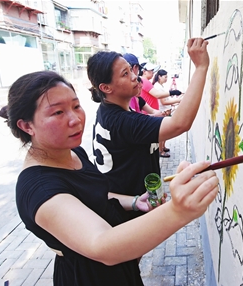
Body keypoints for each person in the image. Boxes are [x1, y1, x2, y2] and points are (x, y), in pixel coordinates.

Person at [0, 70, 219, 286]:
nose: (75, 119)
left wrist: (134, 202)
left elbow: (93, 195)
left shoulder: (72, 152)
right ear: (27, 126)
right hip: (89, 281)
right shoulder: (40, 190)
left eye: (76, 106)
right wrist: (178, 211)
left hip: (115, 269)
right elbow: (101, 244)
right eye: (57, 112)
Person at [87, 37, 210, 219]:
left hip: (129, 203)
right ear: (106, 87)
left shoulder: (110, 111)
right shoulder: (122, 121)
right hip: (125, 214)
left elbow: (133, 132)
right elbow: (180, 124)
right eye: (125, 74)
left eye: (131, 70)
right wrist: (201, 67)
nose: (134, 76)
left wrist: (157, 117)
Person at [152, 69, 182, 157]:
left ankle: (163, 147)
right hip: (163, 113)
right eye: (165, 77)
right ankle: (161, 151)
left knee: (165, 134)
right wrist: (178, 100)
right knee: (162, 134)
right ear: (159, 77)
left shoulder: (160, 86)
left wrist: (174, 102)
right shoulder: (157, 87)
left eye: (167, 77)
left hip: (166, 112)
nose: (166, 79)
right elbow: (163, 102)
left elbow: (166, 100)